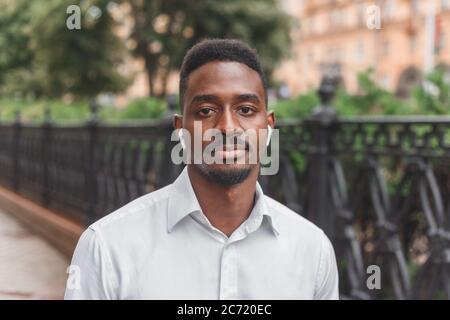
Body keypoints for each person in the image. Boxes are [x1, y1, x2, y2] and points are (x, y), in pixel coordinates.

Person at [64, 38, 339, 300]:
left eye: (245, 109)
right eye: (206, 111)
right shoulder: (108, 247)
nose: (228, 128)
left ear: (268, 126)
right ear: (180, 128)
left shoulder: (312, 250)